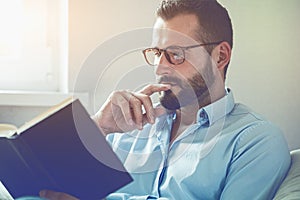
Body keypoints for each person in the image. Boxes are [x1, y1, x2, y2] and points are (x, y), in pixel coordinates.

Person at [40, 0, 291, 199]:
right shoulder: (128, 126)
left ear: (220, 56)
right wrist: (99, 126)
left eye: (175, 55)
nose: (160, 69)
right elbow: (46, 183)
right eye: (157, 53)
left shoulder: (255, 141)